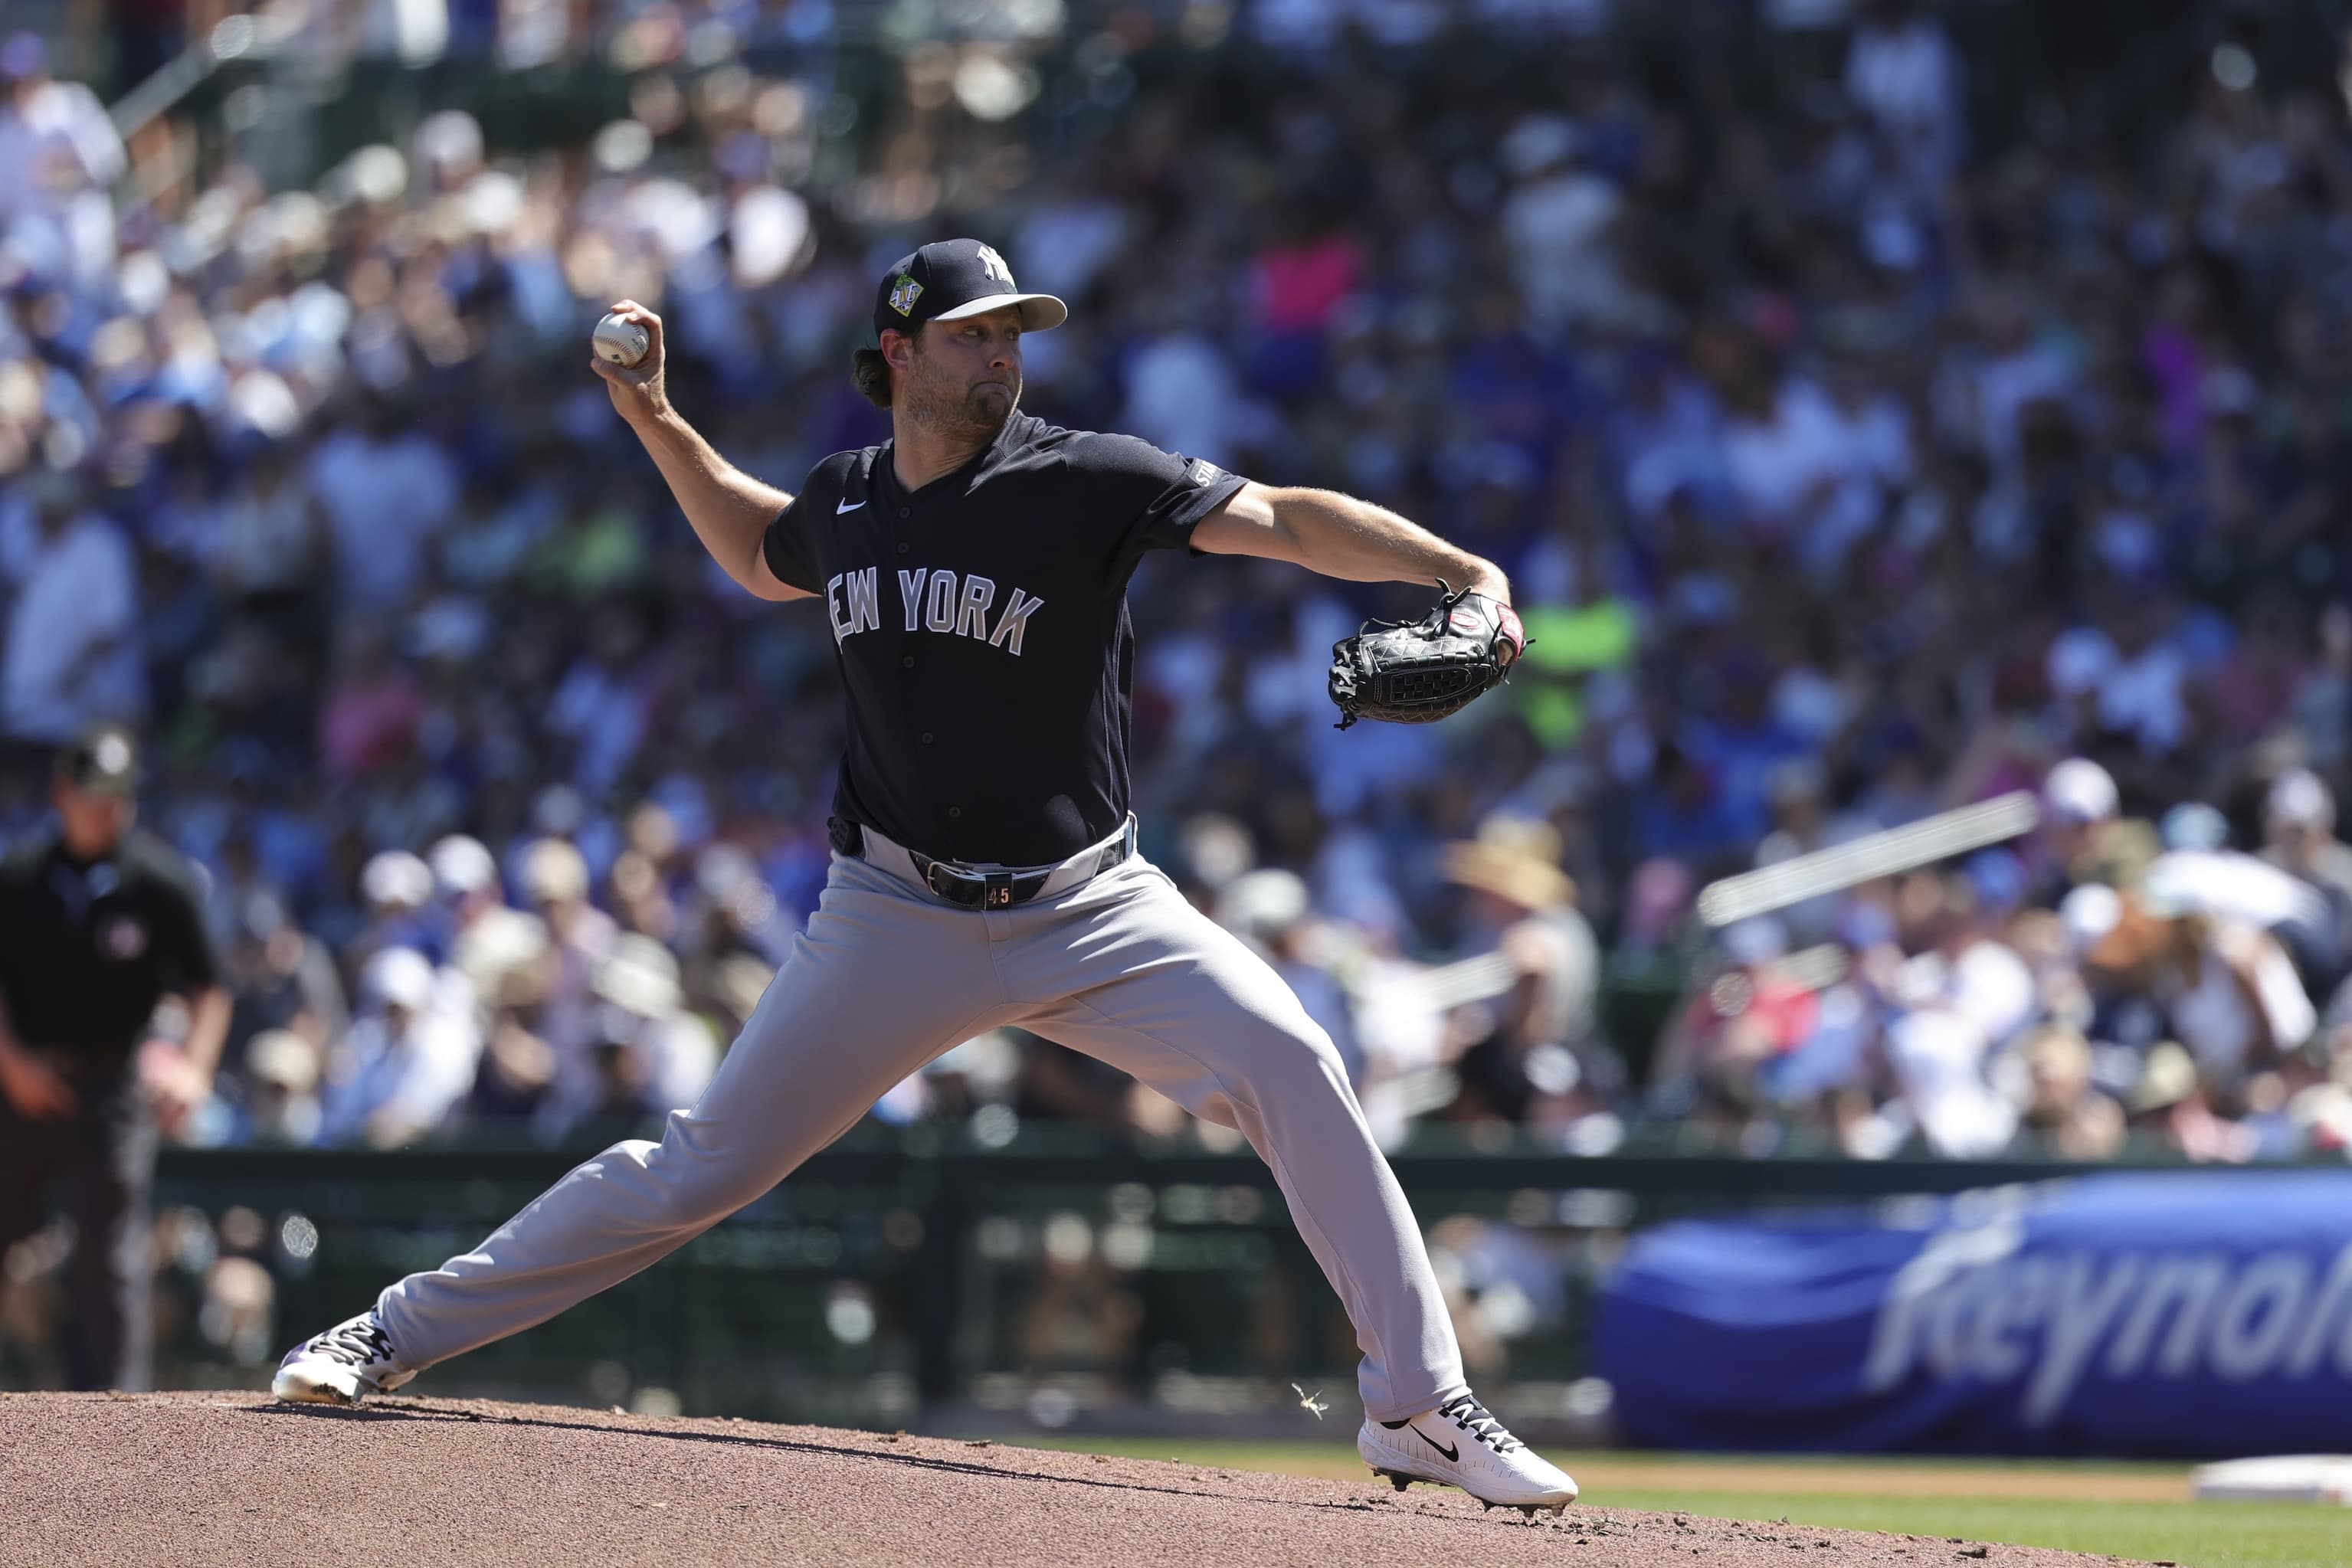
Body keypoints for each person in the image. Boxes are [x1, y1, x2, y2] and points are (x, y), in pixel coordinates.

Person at [272, 238, 1575, 1514]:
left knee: (1293, 1059)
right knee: (696, 1166)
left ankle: (1417, 1401)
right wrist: (657, 418)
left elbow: (1283, 518)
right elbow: (757, 550)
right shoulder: (847, 498)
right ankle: (391, 1331)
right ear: (897, 353)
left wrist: (1461, 572)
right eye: (973, 335)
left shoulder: (1085, 477)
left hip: (1090, 905)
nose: (1001, 354)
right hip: (891, 912)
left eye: (1012, 334)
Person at [0, 725, 229, 1389]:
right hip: (21, 1083)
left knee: (111, 1257)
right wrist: (12, 1063)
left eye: (120, 793)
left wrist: (194, 1066)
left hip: (112, 1087)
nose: (108, 807)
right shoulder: (19, 878)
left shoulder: (158, 881)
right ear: (62, 793)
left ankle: (111, 1420)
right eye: (95, 793)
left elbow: (208, 986)